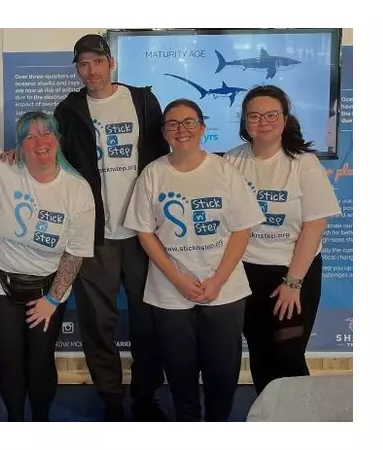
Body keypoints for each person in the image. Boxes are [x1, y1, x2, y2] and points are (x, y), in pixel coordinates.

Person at [125, 99, 265, 421]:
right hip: (170, 293)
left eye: (189, 122)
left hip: (224, 291)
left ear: (202, 128)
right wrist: (178, 279)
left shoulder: (224, 171)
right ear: (164, 132)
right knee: (179, 372)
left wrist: (217, 281)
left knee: (222, 373)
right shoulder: (153, 174)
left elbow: (242, 229)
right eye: (173, 124)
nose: (182, 130)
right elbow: (145, 233)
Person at [53, 33, 169, 421]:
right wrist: (15, 154)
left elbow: (162, 162)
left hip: (142, 234)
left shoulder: (142, 101)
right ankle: (111, 400)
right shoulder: (68, 110)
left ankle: (145, 397)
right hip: (96, 236)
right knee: (97, 324)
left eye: (97, 62)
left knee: (147, 321)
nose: (91, 71)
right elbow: (54, 157)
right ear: (77, 69)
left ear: (111, 63)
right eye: (83, 65)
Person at [224, 85, 341, 394]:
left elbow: (315, 226)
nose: (263, 122)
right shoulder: (231, 161)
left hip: (293, 273)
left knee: (288, 355)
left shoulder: (303, 163)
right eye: (254, 115)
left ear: (285, 119)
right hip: (246, 273)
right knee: (260, 352)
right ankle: (269, 415)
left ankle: (299, 417)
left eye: (271, 115)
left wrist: (292, 283)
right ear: (244, 121)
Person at [0, 111, 95, 421]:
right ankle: (15, 420)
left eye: (46, 133)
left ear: (58, 139)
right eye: (30, 137)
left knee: (41, 359)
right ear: (19, 146)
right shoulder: (0, 172)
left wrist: (52, 300)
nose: (40, 141)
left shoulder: (77, 189)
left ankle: (41, 420)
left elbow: (75, 253)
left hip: (47, 286)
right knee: (9, 358)